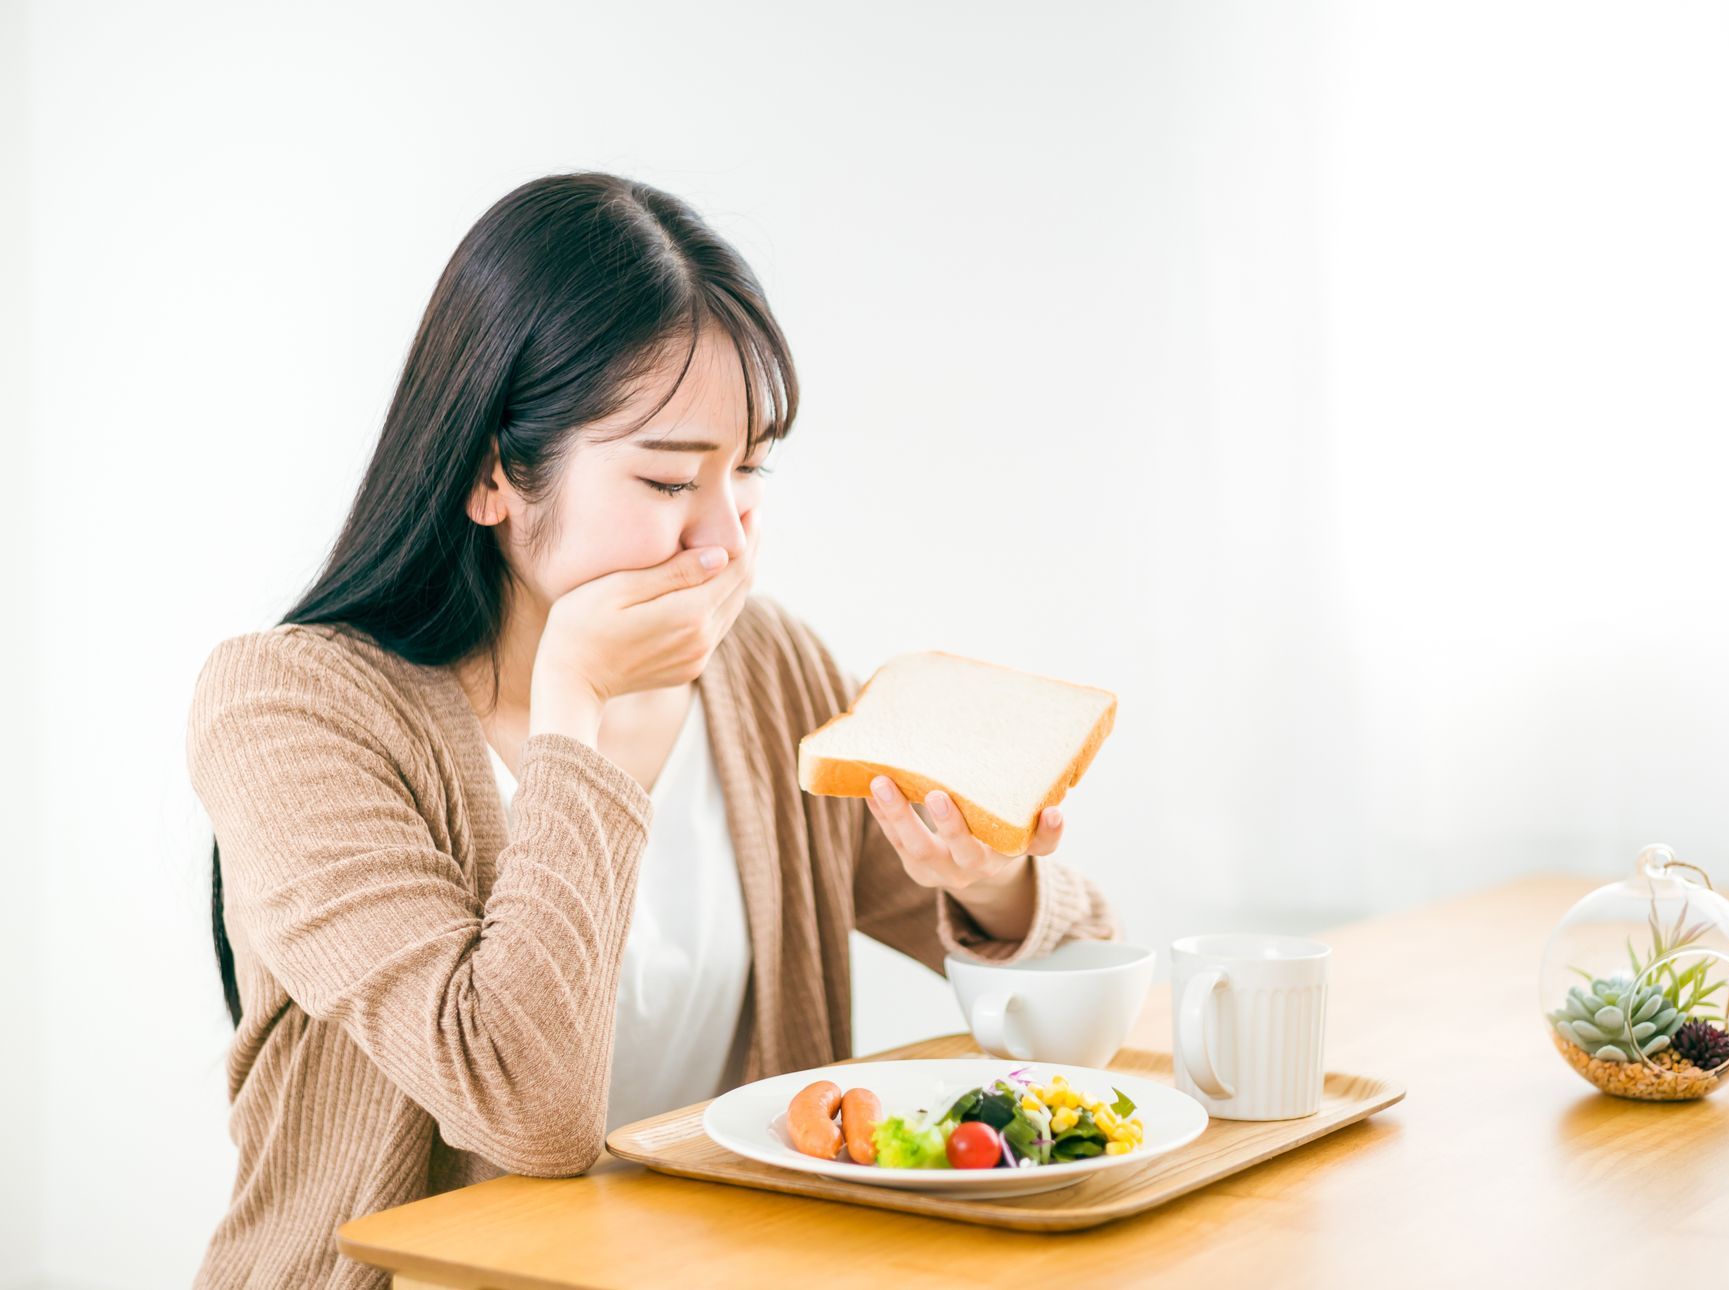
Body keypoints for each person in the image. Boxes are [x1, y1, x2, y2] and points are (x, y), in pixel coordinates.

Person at [184, 171, 1123, 1288]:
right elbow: (528, 1110)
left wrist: (988, 885)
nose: (724, 539)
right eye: (671, 477)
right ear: (491, 471)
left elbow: (1088, 992)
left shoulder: (767, 671)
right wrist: (573, 708)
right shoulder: (289, 711)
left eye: (750, 469)